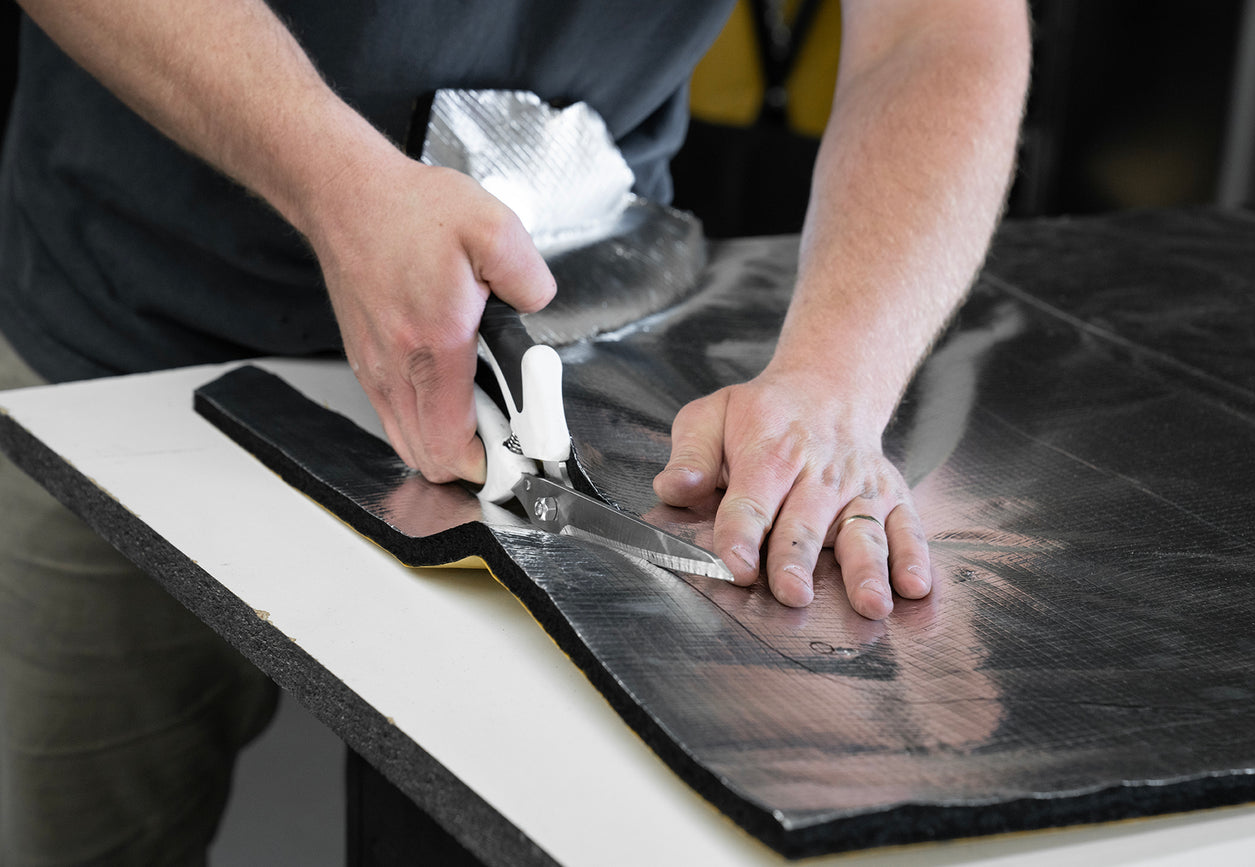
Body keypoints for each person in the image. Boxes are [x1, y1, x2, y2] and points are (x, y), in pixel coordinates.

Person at [0, 0, 1030, 862]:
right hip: (140, 320)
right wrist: (331, 176)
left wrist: (836, 383)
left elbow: (938, 31)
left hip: (575, 332)